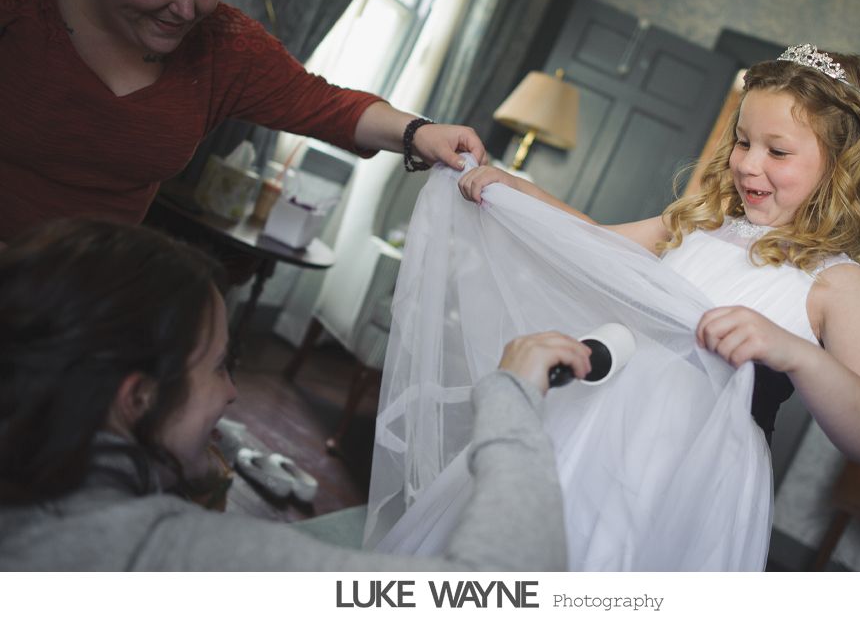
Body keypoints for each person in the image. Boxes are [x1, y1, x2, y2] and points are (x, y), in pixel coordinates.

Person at [364, 44, 860, 570]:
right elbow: (593, 241)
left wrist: (797, 354)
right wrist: (511, 188)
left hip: (691, 477)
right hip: (594, 429)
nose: (748, 164)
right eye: (743, 142)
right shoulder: (701, 227)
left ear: (840, 163)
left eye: (778, 150)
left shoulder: (838, 286)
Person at [0, 218, 587, 570]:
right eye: (219, 367)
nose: (232, 394)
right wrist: (510, 399)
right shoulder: (149, 553)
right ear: (138, 399)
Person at [0, 0, 485, 243]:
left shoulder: (222, 44)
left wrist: (419, 132)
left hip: (74, 296)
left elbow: (323, 103)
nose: (187, 9)